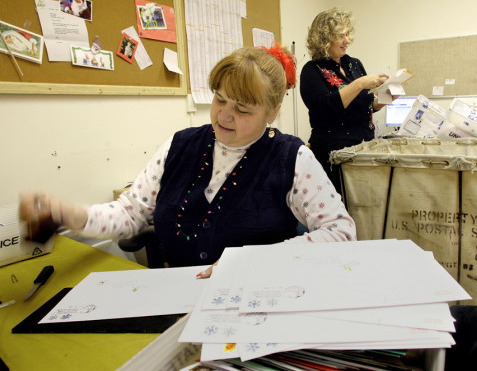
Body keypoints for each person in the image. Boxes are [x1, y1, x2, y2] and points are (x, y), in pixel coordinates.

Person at [19, 43, 356, 277]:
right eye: (219, 99)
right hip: (178, 297)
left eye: (242, 109)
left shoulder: (292, 157)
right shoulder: (180, 146)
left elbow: (341, 232)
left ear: (272, 111)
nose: (224, 115)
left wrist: (256, 261)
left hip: (253, 297)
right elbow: (130, 212)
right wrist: (71, 214)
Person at [300, 8, 392, 195]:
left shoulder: (354, 64)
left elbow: (364, 105)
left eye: (347, 34)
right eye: (341, 35)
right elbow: (323, 108)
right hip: (333, 157)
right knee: (338, 208)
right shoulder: (312, 70)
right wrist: (359, 84)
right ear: (325, 38)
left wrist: (386, 97)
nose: (347, 40)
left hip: (363, 150)